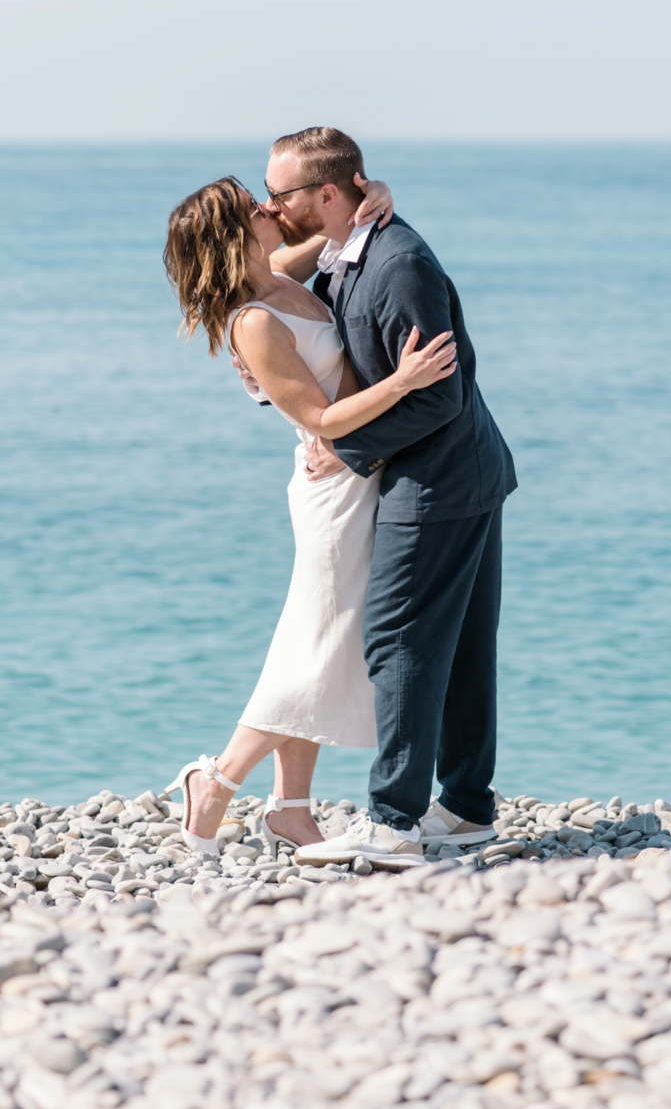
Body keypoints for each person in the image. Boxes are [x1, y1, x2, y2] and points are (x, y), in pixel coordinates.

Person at [161, 174, 457, 862]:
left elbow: (335, 232)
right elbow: (318, 418)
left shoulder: (278, 274)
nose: (269, 209)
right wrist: (403, 382)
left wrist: (373, 196)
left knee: (318, 645)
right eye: (252, 208)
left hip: (361, 472)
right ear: (231, 236)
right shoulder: (255, 320)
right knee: (318, 648)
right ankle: (214, 782)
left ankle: (291, 808)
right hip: (333, 491)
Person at [259, 128, 519, 869]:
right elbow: (271, 268)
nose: (274, 209)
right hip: (450, 473)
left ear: (328, 195)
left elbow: (440, 396)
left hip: (438, 476)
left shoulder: (397, 264)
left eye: (283, 195)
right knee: (462, 645)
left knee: (397, 638)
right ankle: (465, 808)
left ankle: (393, 822)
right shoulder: (348, 252)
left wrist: (341, 448)